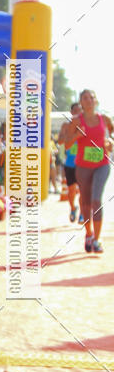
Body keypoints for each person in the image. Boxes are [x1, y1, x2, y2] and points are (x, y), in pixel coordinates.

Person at [63, 88, 113, 253]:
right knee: (85, 202)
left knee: (96, 200)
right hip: (83, 166)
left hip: (102, 164)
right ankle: (89, 234)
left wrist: (110, 142)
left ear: (96, 100)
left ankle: (97, 240)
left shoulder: (104, 118)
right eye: (85, 98)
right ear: (81, 102)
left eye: (92, 97)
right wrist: (77, 136)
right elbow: (67, 145)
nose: (89, 100)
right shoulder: (76, 121)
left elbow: (111, 132)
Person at [58, 101, 81, 222]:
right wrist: (70, 136)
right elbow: (60, 141)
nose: (78, 113)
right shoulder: (66, 126)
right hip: (70, 164)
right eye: (75, 111)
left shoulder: (85, 126)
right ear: (71, 113)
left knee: (83, 191)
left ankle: (83, 213)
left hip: (83, 164)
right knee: (71, 190)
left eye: (80, 111)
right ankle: (73, 208)